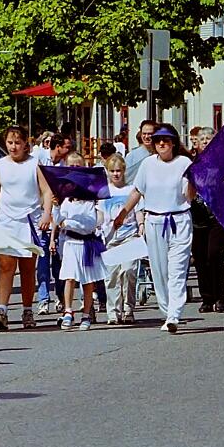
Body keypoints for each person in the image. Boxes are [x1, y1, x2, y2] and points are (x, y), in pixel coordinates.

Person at [112, 124, 195, 334]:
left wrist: (195, 180)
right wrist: (122, 214)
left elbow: (189, 196)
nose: (161, 144)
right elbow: (137, 192)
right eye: (158, 140)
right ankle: (167, 311)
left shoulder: (184, 162)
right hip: (154, 222)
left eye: (165, 140)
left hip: (179, 220)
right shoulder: (148, 164)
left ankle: (174, 314)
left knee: (177, 269)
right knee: (159, 271)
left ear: (173, 143)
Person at [0, 125, 55, 331]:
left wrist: (46, 213)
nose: (13, 147)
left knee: (27, 269)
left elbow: (46, 191)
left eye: (18, 143)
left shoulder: (35, 164)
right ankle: (2, 310)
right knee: (6, 267)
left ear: (26, 143)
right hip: (6, 220)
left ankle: (28, 309)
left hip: (28, 221)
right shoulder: (0, 165)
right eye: (10, 142)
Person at [53, 183, 106, 331]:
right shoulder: (66, 202)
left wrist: (68, 223)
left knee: (87, 281)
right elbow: (58, 221)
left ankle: (86, 314)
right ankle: (68, 311)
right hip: (70, 244)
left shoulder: (89, 204)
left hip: (85, 244)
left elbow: (89, 225)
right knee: (69, 278)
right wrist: (56, 207)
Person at [189, 127, 224, 313]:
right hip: (197, 218)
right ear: (196, 143)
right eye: (202, 138)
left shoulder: (223, 164)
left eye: (209, 138)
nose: (205, 141)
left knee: (214, 255)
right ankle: (207, 298)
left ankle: (219, 297)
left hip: (218, 217)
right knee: (200, 258)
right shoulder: (191, 165)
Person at [100, 153, 140, 325]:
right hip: (110, 239)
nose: (116, 174)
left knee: (129, 271)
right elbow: (100, 214)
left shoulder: (131, 190)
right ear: (107, 172)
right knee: (111, 277)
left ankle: (128, 307)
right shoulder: (104, 192)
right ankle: (113, 312)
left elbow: (138, 210)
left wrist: (142, 226)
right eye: (112, 171)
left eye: (119, 171)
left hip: (129, 236)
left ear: (124, 171)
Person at [35, 133, 73, 314]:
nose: (69, 150)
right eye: (66, 146)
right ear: (57, 146)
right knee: (42, 261)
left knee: (59, 261)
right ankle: (43, 298)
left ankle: (60, 296)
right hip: (42, 217)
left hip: (59, 216)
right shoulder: (39, 158)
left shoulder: (66, 165)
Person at [124, 119, 157, 183]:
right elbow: (126, 178)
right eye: (144, 133)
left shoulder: (161, 154)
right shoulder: (131, 156)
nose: (146, 137)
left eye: (150, 134)